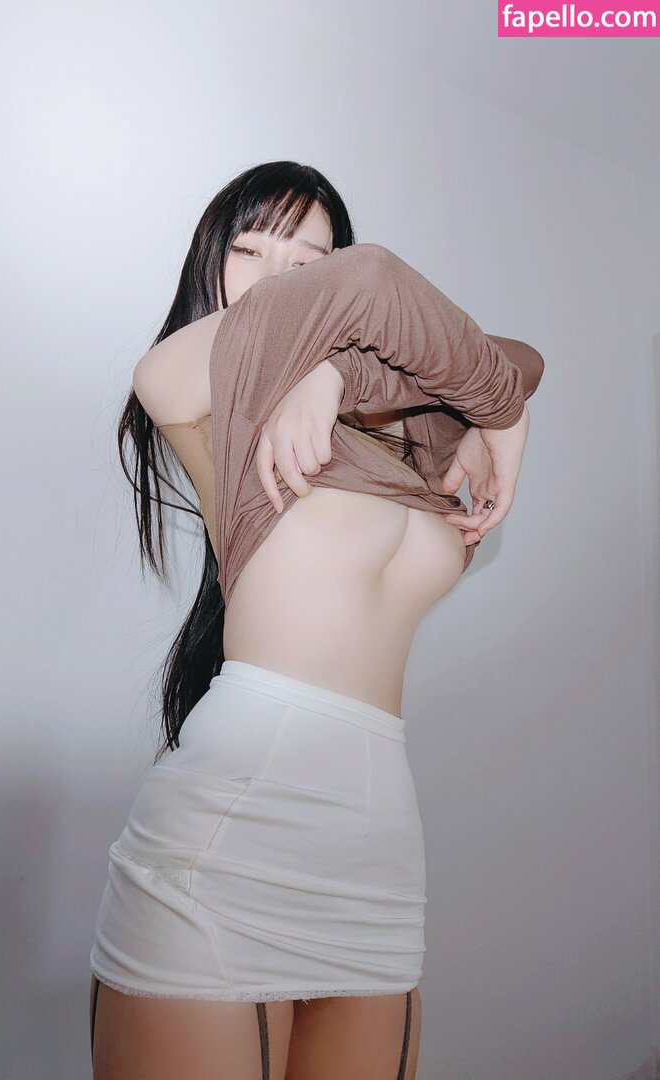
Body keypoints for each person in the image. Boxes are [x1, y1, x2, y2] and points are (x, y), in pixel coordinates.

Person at [89, 161, 543, 1079]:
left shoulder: (390, 420)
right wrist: (496, 412)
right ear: (209, 263)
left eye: (308, 260)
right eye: (251, 250)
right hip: (229, 845)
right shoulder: (182, 382)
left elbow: (524, 356)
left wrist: (338, 371)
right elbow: (378, 285)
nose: (278, 276)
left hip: (378, 860)